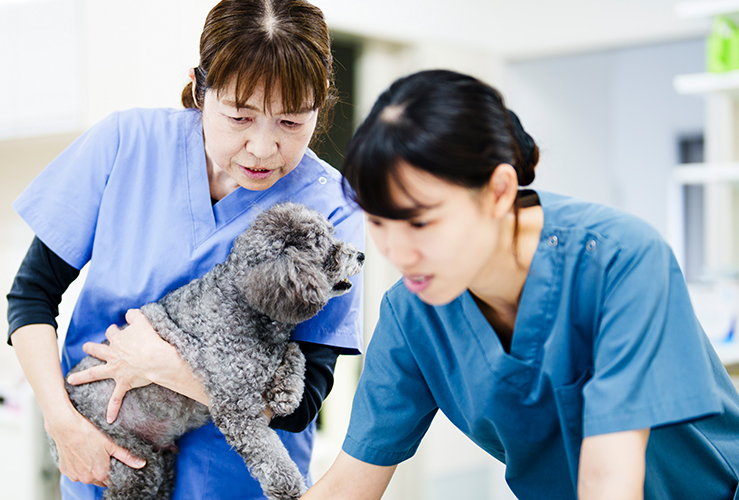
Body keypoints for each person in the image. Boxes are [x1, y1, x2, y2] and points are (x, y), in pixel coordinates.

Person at [302, 69, 739, 499]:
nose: (398, 252)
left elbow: (611, 477)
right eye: (379, 222)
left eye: (420, 222)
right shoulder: (412, 312)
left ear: (498, 191)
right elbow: (349, 485)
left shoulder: (619, 260)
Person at [5, 1, 364, 498]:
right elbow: (30, 296)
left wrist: (164, 367)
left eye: (291, 122)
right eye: (240, 116)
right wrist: (61, 423)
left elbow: (304, 401)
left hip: (235, 485)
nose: (262, 147)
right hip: (106, 462)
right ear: (200, 88)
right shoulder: (125, 143)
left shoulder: (333, 207)